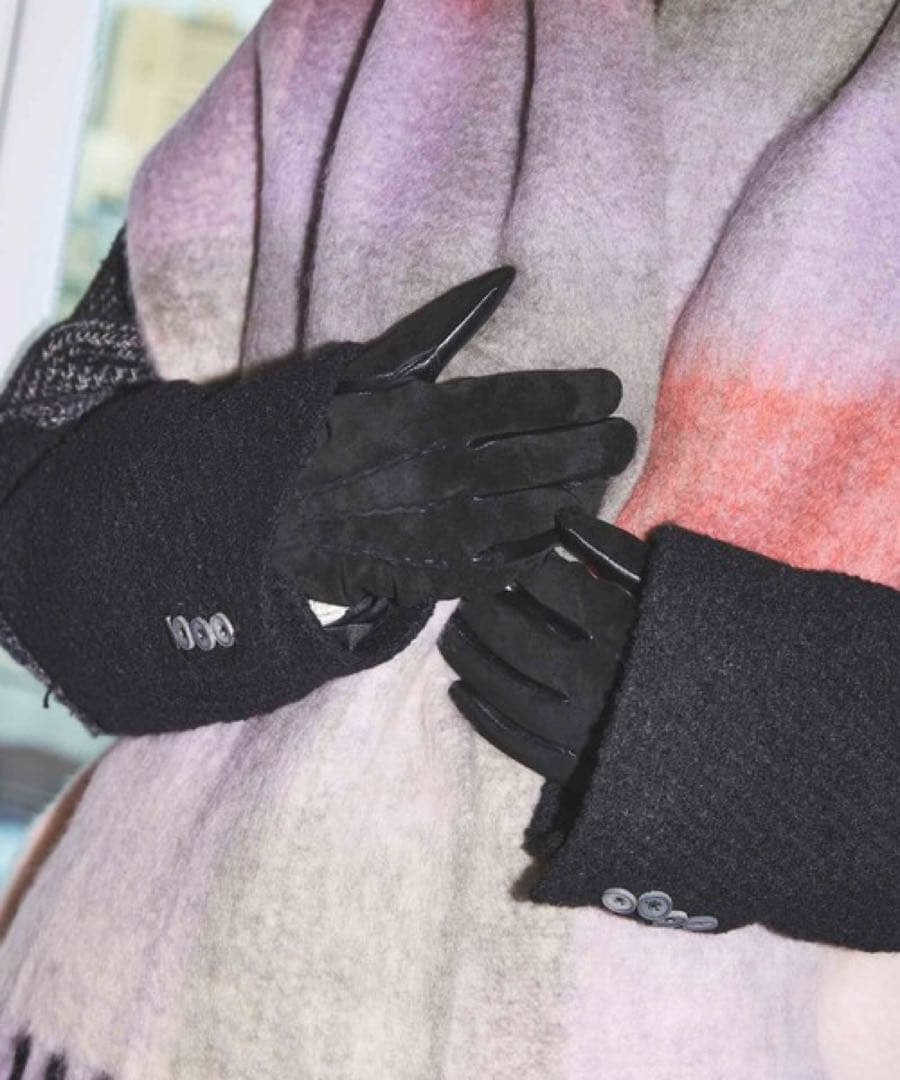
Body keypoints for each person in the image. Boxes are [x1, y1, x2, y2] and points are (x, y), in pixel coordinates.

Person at [0, 2, 898, 1077]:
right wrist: (231, 516)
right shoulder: (354, 21)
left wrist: (780, 745)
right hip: (121, 1004)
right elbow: (28, 507)